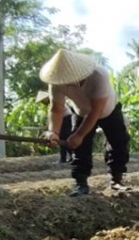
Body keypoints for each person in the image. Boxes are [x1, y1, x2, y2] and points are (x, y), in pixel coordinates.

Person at [40, 49, 131, 197]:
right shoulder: (56, 82)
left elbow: (95, 111)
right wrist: (53, 132)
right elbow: (56, 109)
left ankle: (117, 180)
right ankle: (81, 184)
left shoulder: (98, 75)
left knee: (119, 141)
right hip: (81, 112)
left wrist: (79, 135)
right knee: (80, 148)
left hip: (108, 111)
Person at [36, 90, 73, 163]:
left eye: (43, 101)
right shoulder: (53, 103)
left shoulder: (55, 102)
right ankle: (68, 156)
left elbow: (56, 115)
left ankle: (66, 157)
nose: (42, 103)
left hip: (66, 119)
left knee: (63, 138)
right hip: (64, 119)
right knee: (64, 138)